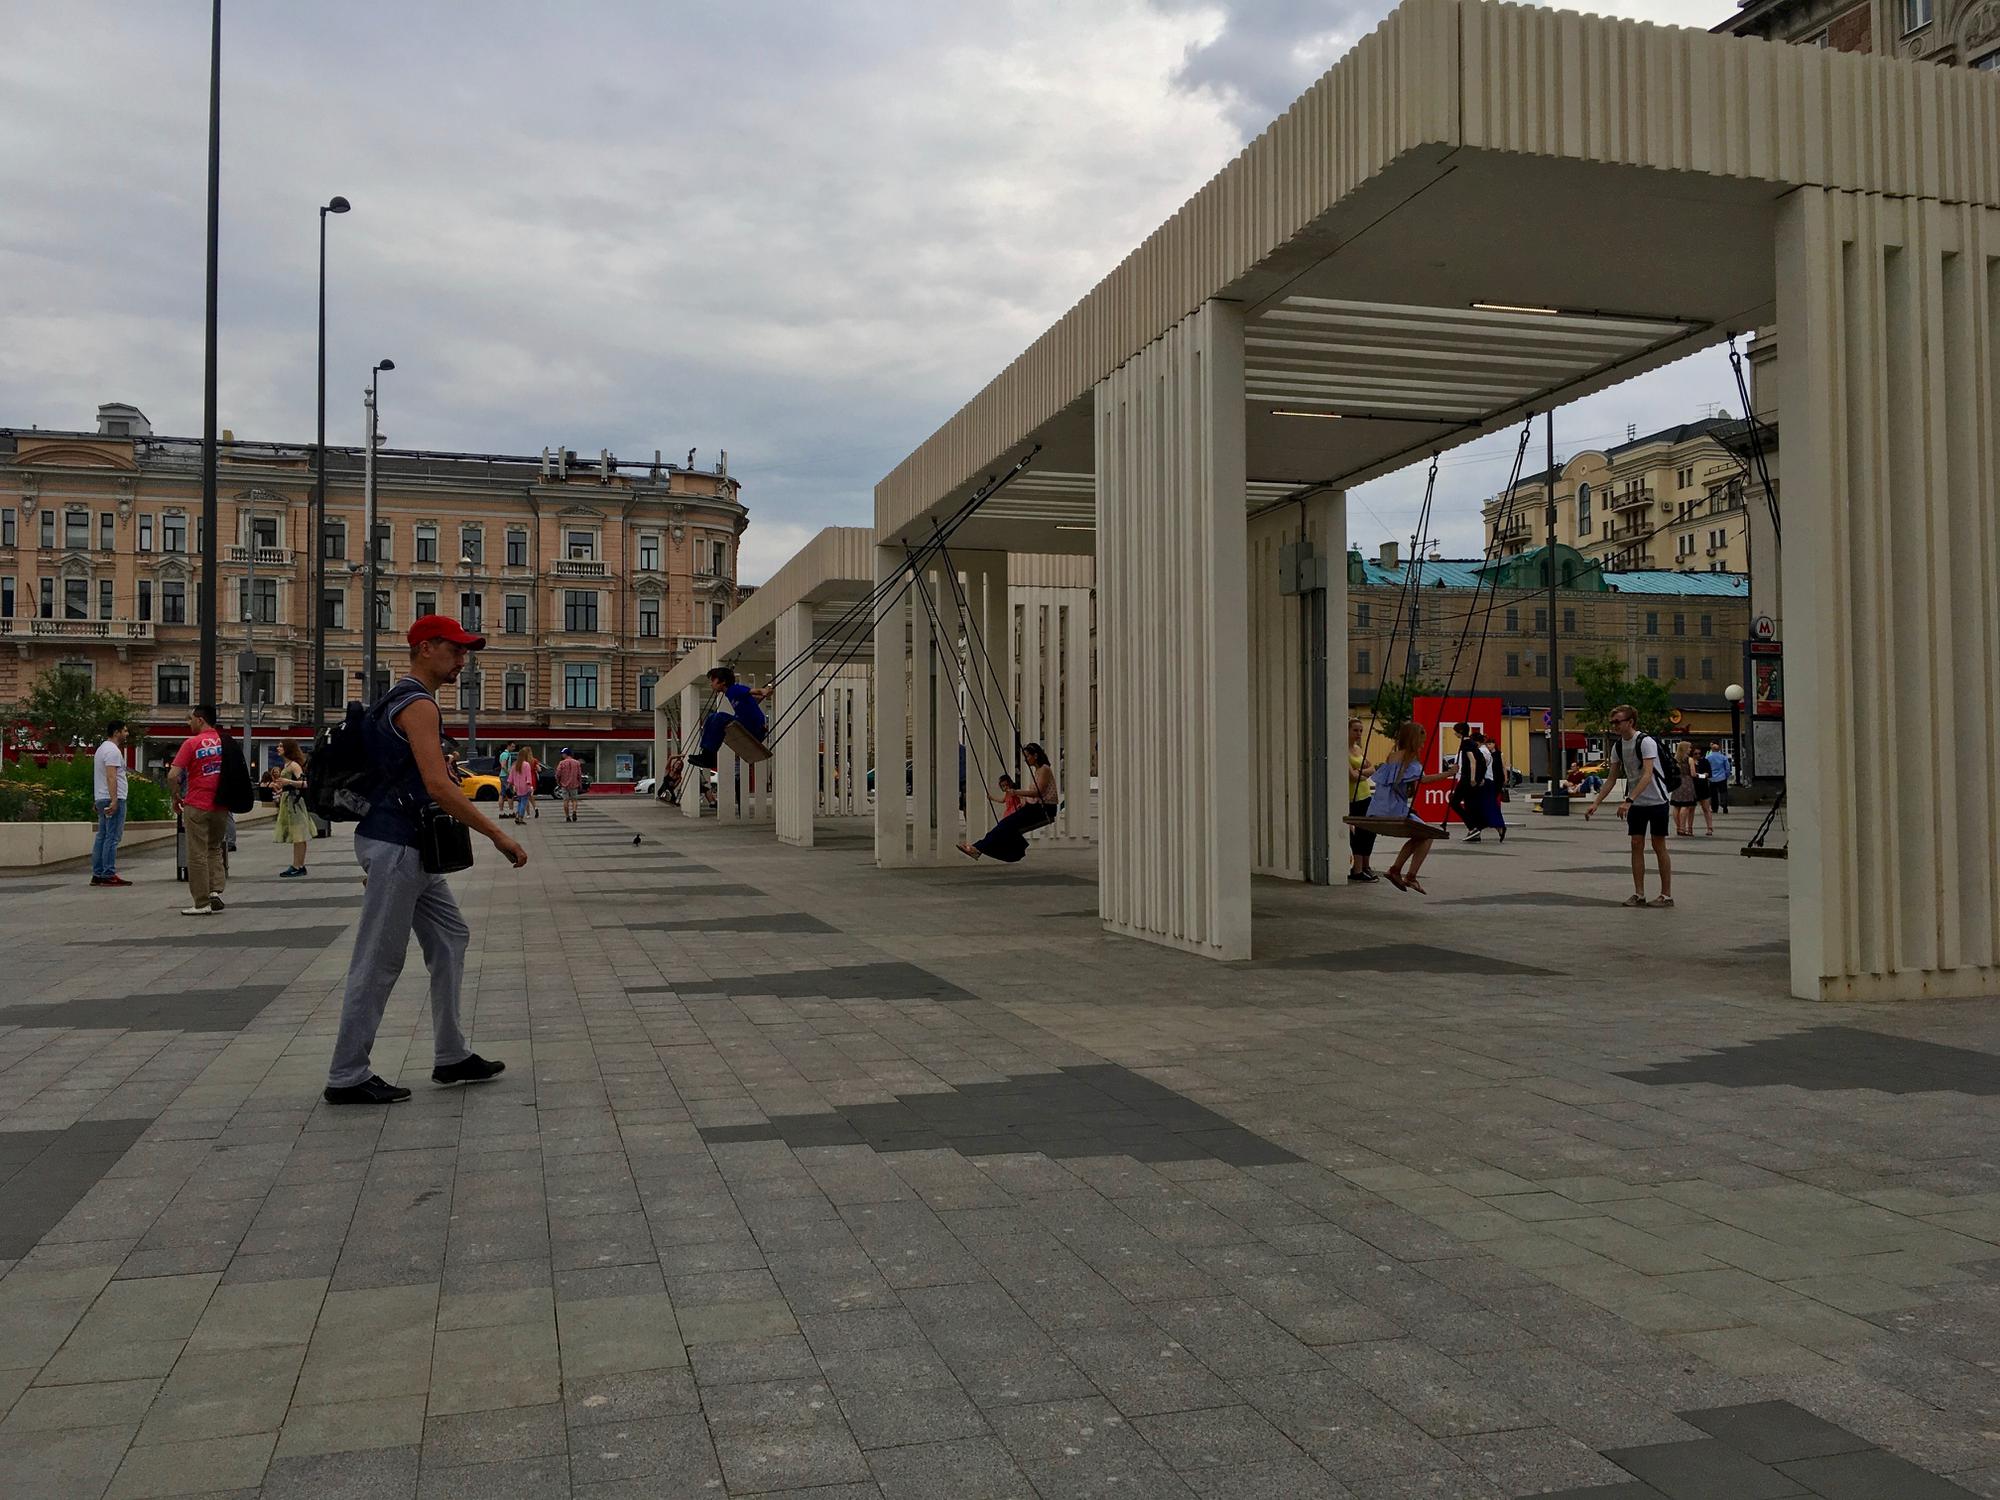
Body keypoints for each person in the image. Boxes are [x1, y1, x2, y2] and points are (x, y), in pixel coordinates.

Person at [326, 614, 525, 1105]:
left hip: (404, 846)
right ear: (424, 648)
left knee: (450, 936)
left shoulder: (393, 700)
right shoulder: (418, 705)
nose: (462, 660)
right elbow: (436, 784)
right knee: (377, 961)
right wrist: (499, 835)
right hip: (399, 846)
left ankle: (451, 1054)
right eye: (454, 650)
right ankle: (347, 1075)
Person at [1585, 704, 1674, 908]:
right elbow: (1611, 778)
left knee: (1658, 844)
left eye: (1618, 722)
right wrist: (1596, 803)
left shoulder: (1645, 742)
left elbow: (1647, 774)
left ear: (1630, 722)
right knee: (1636, 844)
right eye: (1612, 722)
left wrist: (1628, 801)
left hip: (1657, 800)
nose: (1614, 725)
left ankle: (1666, 895)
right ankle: (1639, 893)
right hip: (1637, 803)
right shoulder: (1617, 747)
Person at [1369, 721, 1446, 894]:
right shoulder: (1410, 761)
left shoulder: (1391, 757)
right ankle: (1409, 876)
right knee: (1428, 835)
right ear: (1413, 740)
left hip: (1378, 808)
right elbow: (1424, 780)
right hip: (1394, 810)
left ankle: (1396, 870)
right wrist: (1449, 773)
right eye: (1421, 741)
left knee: (1420, 836)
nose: (1423, 745)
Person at [170, 704, 230, 916]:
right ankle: (215, 892)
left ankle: (201, 902)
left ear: (200, 719)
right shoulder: (225, 741)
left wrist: (175, 795)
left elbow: (172, 774)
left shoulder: (192, 743)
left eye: (190, 719)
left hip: (197, 803)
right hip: (221, 804)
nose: (188, 723)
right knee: (214, 847)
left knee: (196, 853)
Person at [957, 743, 1057, 862]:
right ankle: (978, 848)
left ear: (1035, 755)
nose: (1025, 760)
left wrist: (1016, 792)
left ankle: (978, 848)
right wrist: (1025, 800)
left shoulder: (1044, 769)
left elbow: (1038, 792)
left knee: (1006, 825)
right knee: (1005, 825)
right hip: (1035, 808)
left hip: (1043, 810)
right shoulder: (1038, 771)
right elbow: (1037, 794)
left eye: (1027, 756)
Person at [688, 665, 771, 770]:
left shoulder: (733, 689)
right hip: (751, 726)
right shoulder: (731, 694)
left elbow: (751, 691)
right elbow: (752, 700)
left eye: (713, 680)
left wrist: (763, 691)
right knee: (712, 718)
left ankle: (708, 756)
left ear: (722, 682)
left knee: (717, 717)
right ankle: (707, 755)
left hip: (754, 729)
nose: (711, 684)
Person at [90, 718, 132, 887]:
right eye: (125, 731)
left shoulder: (101, 749)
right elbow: (111, 775)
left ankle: (98, 873)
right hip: (112, 797)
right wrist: (114, 800)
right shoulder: (113, 751)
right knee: (112, 837)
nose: (127, 734)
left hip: (101, 796)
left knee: (102, 836)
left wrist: (98, 799)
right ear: (116, 732)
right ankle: (108, 873)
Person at [273, 739, 313, 876]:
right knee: (297, 835)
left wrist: (287, 782)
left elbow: (305, 783)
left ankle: (298, 865)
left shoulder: (294, 765)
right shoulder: (287, 764)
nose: (278, 748)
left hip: (294, 803)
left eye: (281, 746)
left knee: (298, 834)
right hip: (289, 800)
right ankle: (298, 864)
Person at [1347, 717, 1377, 882]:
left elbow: (1372, 767)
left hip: (1365, 794)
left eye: (1360, 730)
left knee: (1370, 831)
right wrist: (1363, 772)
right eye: (1355, 730)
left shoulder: (1358, 749)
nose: (1358, 734)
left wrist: (1361, 773)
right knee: (1358, 832)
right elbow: (1351, 777)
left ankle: (1366, 865)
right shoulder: (1343, 751)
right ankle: (1357, 869)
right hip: (1353, 797)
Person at [1450, 723, 1487, 839]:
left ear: (1460, 732)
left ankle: (1472, 827)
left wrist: (1472, 778)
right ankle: (1475, 833)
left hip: (1466, 779)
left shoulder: (1466, 744)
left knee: (1454, 802)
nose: (1454, 733)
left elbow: (1473, 761)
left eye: (1455, 731)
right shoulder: (1472, 743)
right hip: (1473, 779)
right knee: (1469, 805)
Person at [1479, 734, 1508, 843]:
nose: (1489, 745)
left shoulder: (1498, 754)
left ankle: (1495, 824)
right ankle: (1494, 824)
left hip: (1496, 780)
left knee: (1490, 802)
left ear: (1494, 744)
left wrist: (1505, 778)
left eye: (1490, 744)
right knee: (1490, 802)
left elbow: (1503, 766)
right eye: (1487, 744)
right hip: (1491, 779)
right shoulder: (1488, 754)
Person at [1670, 741, 1700, 837]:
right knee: (1685, 806)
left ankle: (1678, 827)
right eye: (1689, 748)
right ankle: (1683, 828)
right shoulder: (1689, 760)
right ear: (1685, 748)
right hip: (1687, 782)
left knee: (1676, 806)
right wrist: (1700, 775)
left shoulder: (1675, 759)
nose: (1690, 749)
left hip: (1677, 782)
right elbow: (1693, 774)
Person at [555, 747, 585, 822]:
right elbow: (579, 774)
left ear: (566, 754)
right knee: (574, 800)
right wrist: (580, 784)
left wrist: (558, 782)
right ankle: (574, 811)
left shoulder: (562, 763)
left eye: (562, 754)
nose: (562, 755)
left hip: (564, 785)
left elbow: (558, 774)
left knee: (566, 801)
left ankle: (567, 816)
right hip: (574, 784)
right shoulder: (577, 763)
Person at [506, 751, 535, 824]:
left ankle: (517, 815)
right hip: (525, 786)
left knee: (520, 802)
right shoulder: (526, 765)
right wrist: (530, 786)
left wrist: (508, 785)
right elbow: (528, 776)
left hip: (517, 787)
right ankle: (520, 817)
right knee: (524, 802)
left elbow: (510, 777)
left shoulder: (514, 765)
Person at [1705, 740, 1731, 817]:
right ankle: (1724, 805)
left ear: (1712, 750)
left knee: (1713, 794)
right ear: (1719, 750)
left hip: (1712, 778)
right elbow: (1727, 768)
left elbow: (1706, 767)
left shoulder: (1708, 757)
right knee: (1723, 792)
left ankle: (1714, 807)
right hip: (1722, 777)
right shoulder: (1723, 757)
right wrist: (1726, 775)